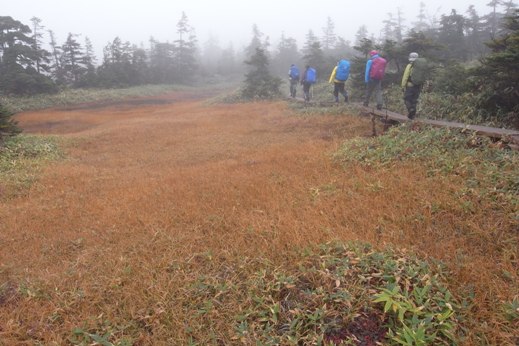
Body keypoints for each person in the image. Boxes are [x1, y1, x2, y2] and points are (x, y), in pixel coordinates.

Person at [401, 52, 425, 119]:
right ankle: (412, 116)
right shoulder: (420, 67)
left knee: (407, 99)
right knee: (414, 100)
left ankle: (410, 110)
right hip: (418, 86)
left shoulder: (409, 65)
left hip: (410, 86)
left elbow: (405, 76)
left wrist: (403, 86)